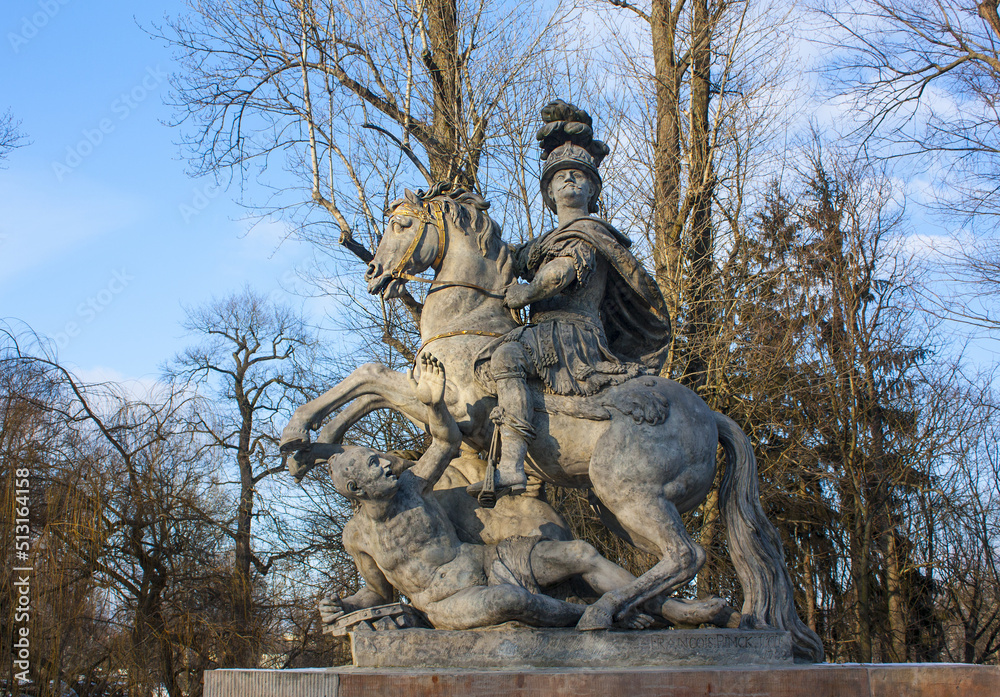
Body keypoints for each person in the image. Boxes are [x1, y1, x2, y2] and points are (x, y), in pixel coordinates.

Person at [318, 354, 655, 631]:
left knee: (579, 553)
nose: (388, 463)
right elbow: (377, 593)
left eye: (378, 457)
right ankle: (600, 615)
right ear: (356, 489)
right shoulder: (357, 537)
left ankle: (653, 605)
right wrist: (345, 603)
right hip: (448, 602)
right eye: (375, 465)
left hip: (486, 561)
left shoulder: (412, 486)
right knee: (509, 601)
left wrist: (435, 406)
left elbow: (446, 443)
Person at [471, 100, 673, 500]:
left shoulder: (590, 232)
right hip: (544, 333)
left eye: (579, 176)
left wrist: (529, 291)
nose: (569, 181)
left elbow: (561, 271)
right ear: (548, 191)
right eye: (561, 176)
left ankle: (511, 465)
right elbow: (507, 259)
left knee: (507, 358)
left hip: (572, 336)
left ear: (592, 189)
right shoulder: (542, 241)